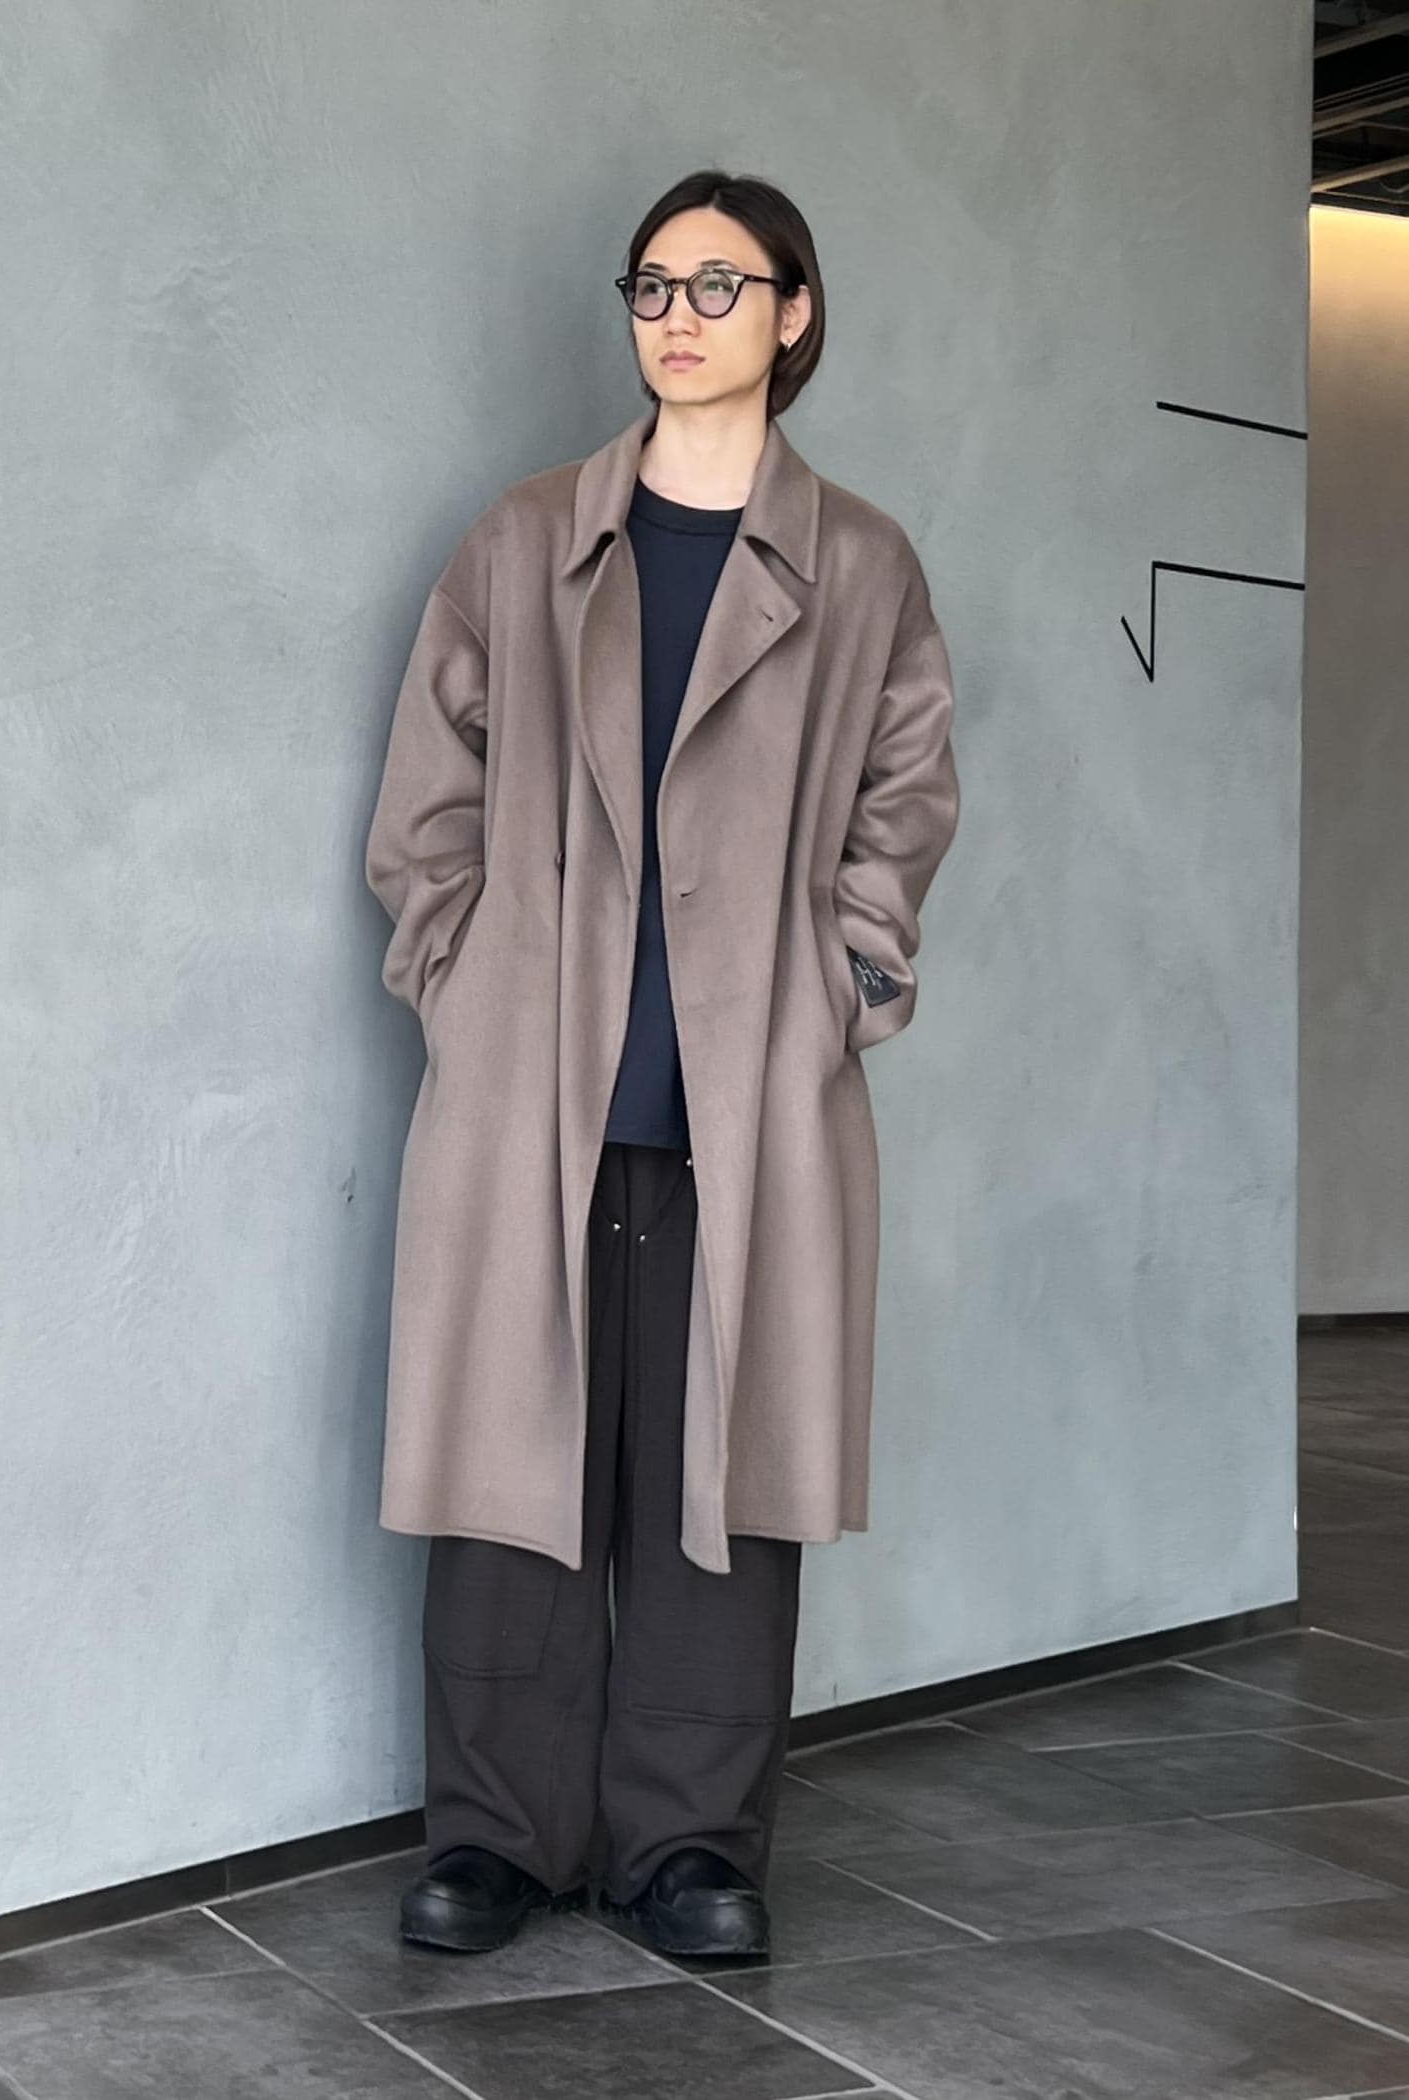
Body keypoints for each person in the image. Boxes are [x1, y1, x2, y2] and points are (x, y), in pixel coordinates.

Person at [364, 167, 960, 1960]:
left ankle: (692, 1846)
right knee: (508, 1472)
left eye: (719, 284)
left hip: (749, 1099)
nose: (679, 316)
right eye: (653, 285)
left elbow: (908, 799)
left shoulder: (859, 564)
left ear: (794, 313)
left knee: (722, 1483)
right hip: (529, 1089)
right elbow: (428, 797)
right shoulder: (523, 539)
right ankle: (498, 1837)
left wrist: (845, 979)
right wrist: (460, 977)